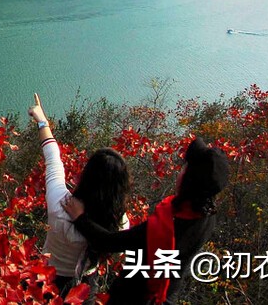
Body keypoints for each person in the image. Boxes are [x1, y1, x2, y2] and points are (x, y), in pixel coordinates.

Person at [63, 136, 230, 304]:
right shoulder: (207, 215)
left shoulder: (162, 229)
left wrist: (80, 217)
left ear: (189, 180)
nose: (180, 170)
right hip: (167, 295)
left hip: (132, 298)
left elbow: (107, 242)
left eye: (184, 168)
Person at [28, 93, 130, 298]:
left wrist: (42, 121)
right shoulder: (117, 222)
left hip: (45, 278)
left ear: (87, 175)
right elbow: (118, 251)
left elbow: (53, 158)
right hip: (84, 288)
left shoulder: (61, 204)